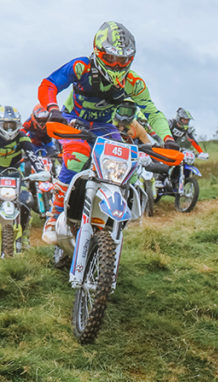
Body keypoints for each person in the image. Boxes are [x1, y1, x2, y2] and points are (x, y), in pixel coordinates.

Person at [37, 21, 175, 244]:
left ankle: (112, 218)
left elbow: (152, 112)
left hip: (104, 127)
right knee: (77, 156)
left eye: (123, 60)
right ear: (98, 51)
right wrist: (53, 109)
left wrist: (168, 139)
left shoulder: (133, 82)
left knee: (126, 163)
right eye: (111, 58)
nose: (117, 65)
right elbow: (49, 84)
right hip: (73, 121)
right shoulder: (81, 67)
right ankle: (53, 217)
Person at [0, 105, 42, 241]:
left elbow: (33, 155)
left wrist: (42, 171)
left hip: (15, 173)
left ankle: (24, 236)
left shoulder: (22, 137)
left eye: (12, 125)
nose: (9, 129)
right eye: (6, 125)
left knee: (26, 200)